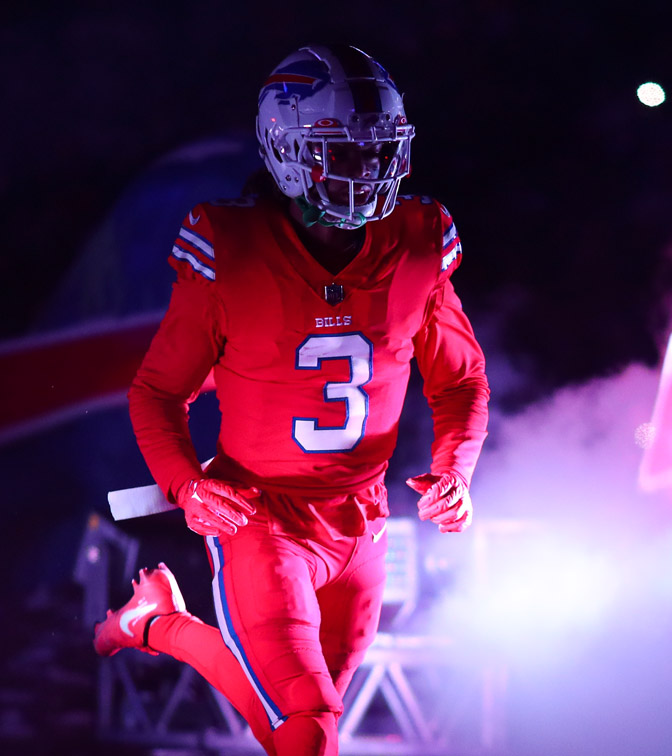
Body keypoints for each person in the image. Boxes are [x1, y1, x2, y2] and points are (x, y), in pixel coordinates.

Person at [93, 44, 489, 756]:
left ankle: (158, 625)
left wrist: (457, 468)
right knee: (305, 734)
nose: (365, 171)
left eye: (377, 151)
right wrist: (187, 488)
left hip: (363, 519)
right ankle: (161, 626)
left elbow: (459, 380)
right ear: (288, 151)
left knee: (300, 728)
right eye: (342, 150)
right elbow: (157, 391)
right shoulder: (232, 246)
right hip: (261, 517)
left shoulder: (420, 240)